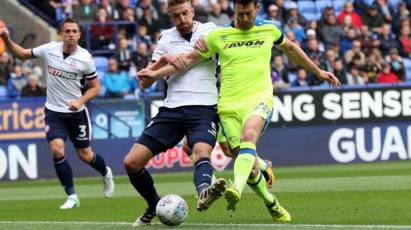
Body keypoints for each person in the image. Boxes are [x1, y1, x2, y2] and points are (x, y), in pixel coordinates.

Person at [138, 0, 340, 221]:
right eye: (239, 14)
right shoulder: (218, 36)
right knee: (240, 158)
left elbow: (291, 48)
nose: (244, 19)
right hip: (228, 105)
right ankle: (271, 201)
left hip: (259, 99)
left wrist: (318, 71)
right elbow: (188, 60)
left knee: (248, 137)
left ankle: (236, 188)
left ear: (257, 9)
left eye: (248, 14)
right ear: (233, 10)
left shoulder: (269, 29)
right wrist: (156, 74)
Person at [123, 0, 226, 226]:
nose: (181, 20)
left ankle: (204, 192)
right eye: (176, 16)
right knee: (131, 163)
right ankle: (153, 205)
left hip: (203, 107)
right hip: (171, 109)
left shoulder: (211, 31)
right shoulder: (166, 38)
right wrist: (163, 59)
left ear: (193, 11)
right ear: (170, 16)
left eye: (185, 14)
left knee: (200, 151)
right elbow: (144, 82)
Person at [0, 18, 115, 209]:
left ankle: (106, 173)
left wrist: (78, 101)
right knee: (57, 149)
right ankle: (72, 196)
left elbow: (95, 88)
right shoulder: (49, 49)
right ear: (61, 34)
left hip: (76, 112)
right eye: (67, 31)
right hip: (53, 111)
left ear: (79, 34)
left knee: (85, 155)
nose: (70, 34)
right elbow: (21, 55)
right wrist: (7, 40)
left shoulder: (85, 58)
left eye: (74, 31)